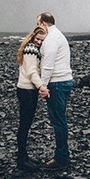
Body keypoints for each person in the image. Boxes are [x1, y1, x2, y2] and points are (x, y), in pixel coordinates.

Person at [36, 11, 73, 170]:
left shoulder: (51, 39)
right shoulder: (59, 35)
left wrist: (42, 86)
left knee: (58, 121)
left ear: (44, 23)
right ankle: (62, 154)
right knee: (60, 119)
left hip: (57, 83)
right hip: (64, 81)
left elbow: (48, 65)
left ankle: (62, 158)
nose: (37, 27)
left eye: (38, 24)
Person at [15, 26, 48, 171]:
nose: (39, 42)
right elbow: (32, 72)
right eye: (38, 39)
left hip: (26, 89)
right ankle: (22, 160)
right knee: (25, 125)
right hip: (27, 90)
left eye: (42, 40)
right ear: (33, 37)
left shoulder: (29, 48)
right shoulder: (31, 49)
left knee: (25, 124)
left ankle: (24, 157)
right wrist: (41, 86)